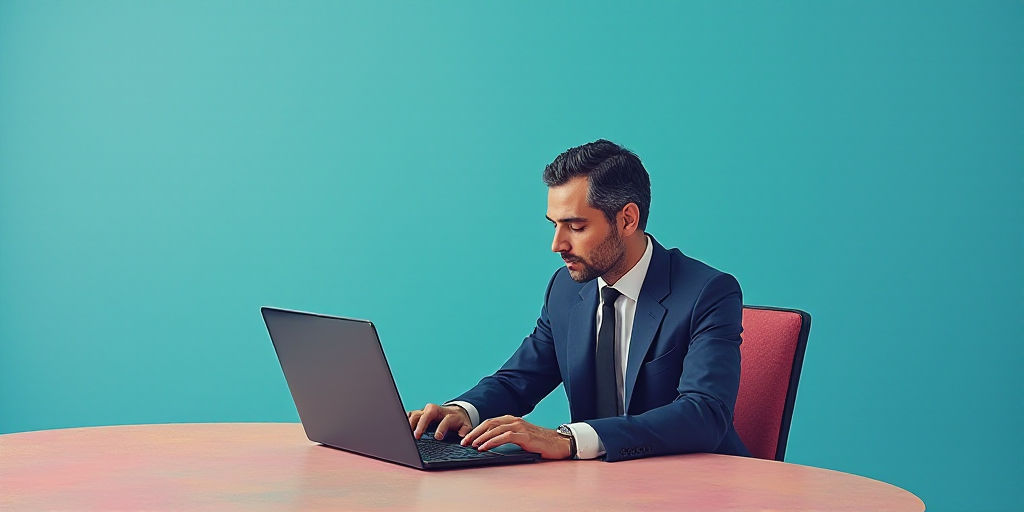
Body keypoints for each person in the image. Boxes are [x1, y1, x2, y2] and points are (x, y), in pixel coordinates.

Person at [408, 139, 750, 461]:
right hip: (597, 487)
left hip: (697, 485)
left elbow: (704, 413)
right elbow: (518, 380)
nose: (557, 245)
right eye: (554, 225)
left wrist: (570, 440)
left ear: (627, 219)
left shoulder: (707, 292)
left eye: (576, 226)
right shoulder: (566, 289)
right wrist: (460, 411)